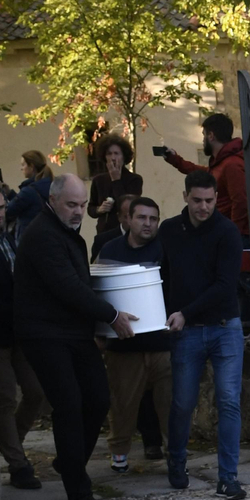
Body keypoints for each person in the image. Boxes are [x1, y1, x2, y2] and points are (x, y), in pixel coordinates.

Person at [15, 173, 137, 500]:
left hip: (73, 333)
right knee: (68, 405)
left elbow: (80, 284)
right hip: (44, 335)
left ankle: (69, 463)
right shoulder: (42, 235)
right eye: (72, 204)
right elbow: (68, 286)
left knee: (98, 399)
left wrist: (98, 323)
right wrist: (111, 315)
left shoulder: (67, 234)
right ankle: (79, 493)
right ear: (52, 200)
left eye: (83, 205)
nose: (79, 211)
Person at [160, 169, 245, 499]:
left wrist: (185, 312)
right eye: (197, 200)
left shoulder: (227, 232)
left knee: (228, 401)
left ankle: (228, 477)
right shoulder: (169, 231)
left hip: (225, 327)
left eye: (210, 200)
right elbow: (160, 275)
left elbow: (225, 286)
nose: (204, 207)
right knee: (182, 402)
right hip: (187, 331)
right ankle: (177, 461)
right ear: (185, 197)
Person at [0, 181, 46, 490]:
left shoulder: (11, 237)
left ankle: (10, 442)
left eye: (2, 207)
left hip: (21, 331)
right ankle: (17, 463)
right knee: (3, 398)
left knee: (37, 393)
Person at [97, 196, 172, 474]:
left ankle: (175, 454)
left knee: (169, 405)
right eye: (142, 217)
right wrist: (101, 331)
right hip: (123, 345)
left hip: (162, 343)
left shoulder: (166, 249)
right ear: (128, 218)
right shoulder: (109, 249)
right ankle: (119, 455)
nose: (148, 224)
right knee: (122, 404)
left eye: (153, 219)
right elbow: (100, 291)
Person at [161, 113, 250, 331]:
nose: (203, 139)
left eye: (203, 134)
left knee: (236, 284)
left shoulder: (231, 165)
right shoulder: (220, 163)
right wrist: (176, 161)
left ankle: (246, 329)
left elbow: (241, 201)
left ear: (211, 135)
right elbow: (204, 177)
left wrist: (234, 233)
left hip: (230, 234)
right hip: (221, 233)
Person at [87, 134, 143, 259]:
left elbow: (129, 206)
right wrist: (99, 209)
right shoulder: (98, 180)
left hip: (125, 233)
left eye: (117, 153)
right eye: (109, 153)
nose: (113, 158)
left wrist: (116, 180)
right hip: (103, 232)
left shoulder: (134, 179)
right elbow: (91, 208)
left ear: (124, 157)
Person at [5, 151, 53, 242]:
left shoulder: (29, 191)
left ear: (31, 166)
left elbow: (9, 210)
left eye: (23, 165)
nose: (21, 168)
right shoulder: (51, 185)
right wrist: (10, 194)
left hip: (29, 239)